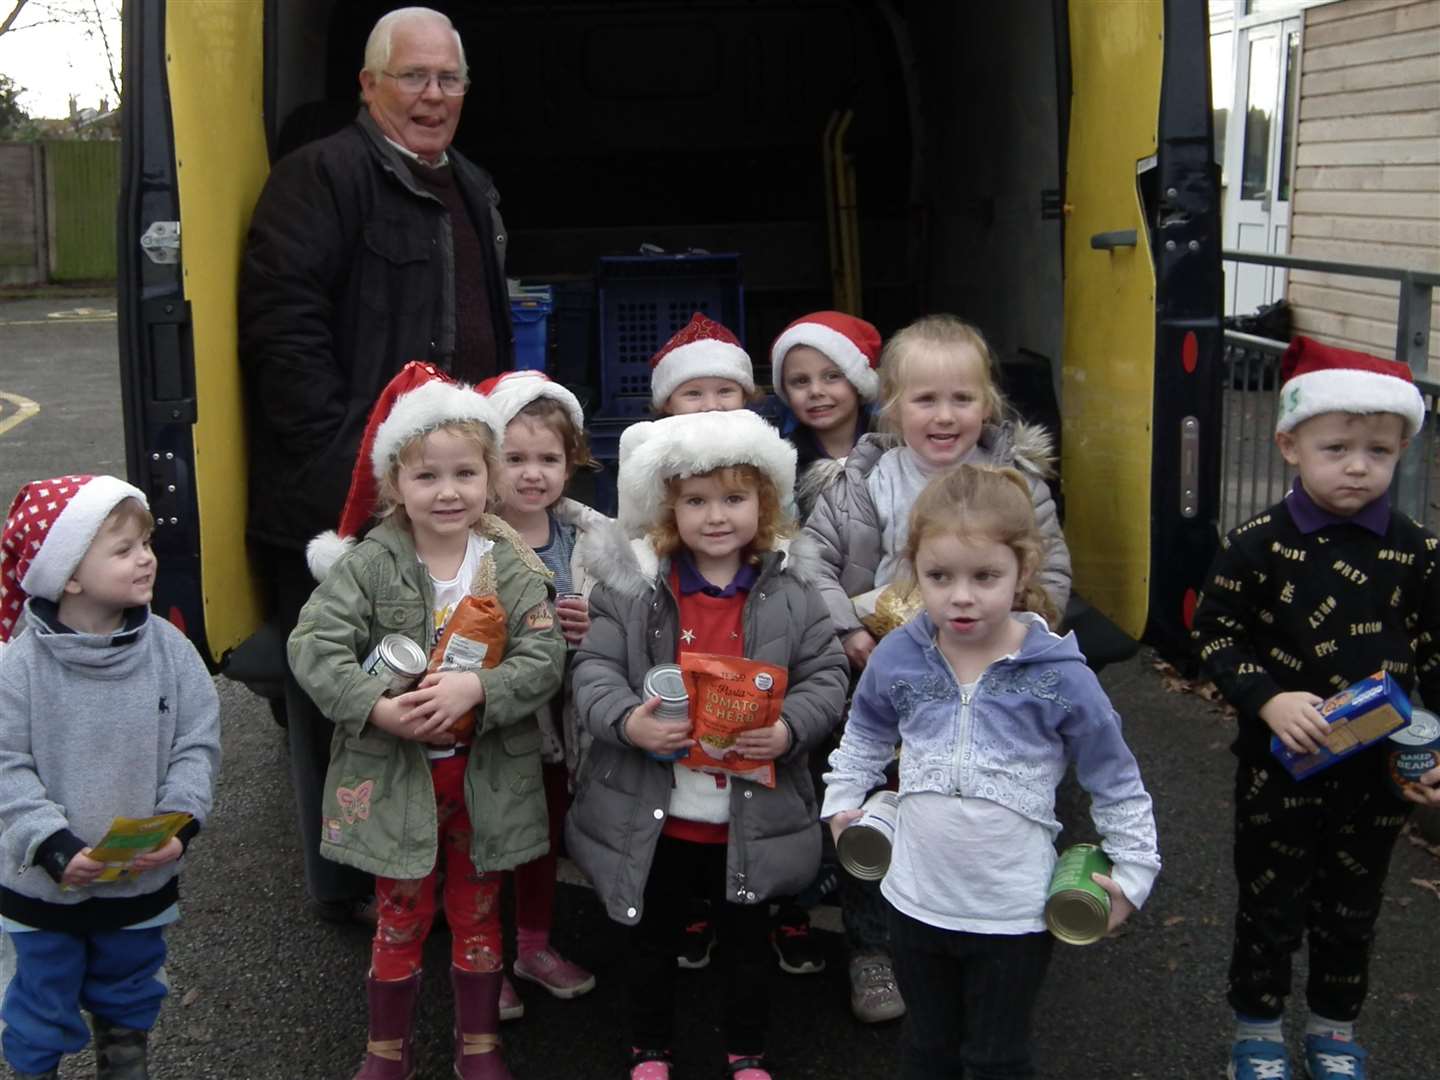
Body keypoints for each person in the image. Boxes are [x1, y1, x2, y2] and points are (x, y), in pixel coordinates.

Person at [239, 6, 515, 925]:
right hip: (344, 497)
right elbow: (284, 335)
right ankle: (353, 884)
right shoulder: (317, 179)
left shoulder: (469, 182)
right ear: (368, 86)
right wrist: (347, 472)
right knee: (344, 694)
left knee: (438, 676)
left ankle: (436, 866)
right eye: (413, 77)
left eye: (449, 80)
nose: (433, 96)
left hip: (443, 493)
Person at [823, 464, 1160, 1079]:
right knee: (926, 1050)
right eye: (939, 576)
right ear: (914, 569)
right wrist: (842, 802)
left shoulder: (1061, 677)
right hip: (915, 902)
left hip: (1014, 913)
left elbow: (1116, 782)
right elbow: (865, 732)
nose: (960, 596)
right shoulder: (900, 655)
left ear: (1023, 570)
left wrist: (1133, 875)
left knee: (996, 1057)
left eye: (985, 576)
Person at [288, 364, 565, 1080]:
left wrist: (479, 687)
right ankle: (386, 1050)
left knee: (478, 913)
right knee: (401, 915)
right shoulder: (370, 565)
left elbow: (544, 654)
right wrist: (376, 707)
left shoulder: (510, 564)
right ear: (393, 485)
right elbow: (312, 647)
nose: (448, 492)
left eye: (466, 474)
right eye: (427, 476)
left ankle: (479, 1045)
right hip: (396, 779)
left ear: (491, 478)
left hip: (485, 780)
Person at [802, 313, 1072, 1022]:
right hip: (885, 688)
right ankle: (872, 951)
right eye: (925, 399)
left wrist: (1020, 636)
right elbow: (812, 563)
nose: (944, 416)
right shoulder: (863, 483)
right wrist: (848, 633)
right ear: (891, 406)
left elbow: (1052, 570)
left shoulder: (1016, 484)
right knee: (875, 813)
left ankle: (978, 933)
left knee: (973, 810)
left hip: (989, 689)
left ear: (989, 404)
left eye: (962, 398)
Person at [564, 410, 848, 1080]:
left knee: (747, 947)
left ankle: (746, 1051)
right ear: (668, 510)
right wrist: (630, 722)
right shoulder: (636, 592)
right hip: (657, 813)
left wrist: (788, 730)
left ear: (765, 504)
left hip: (749, 815)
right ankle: (650, 1047)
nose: (715, 516)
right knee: (650, 942)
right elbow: (594, 670)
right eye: (695, 501)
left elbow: (828, 675)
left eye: (734, 498)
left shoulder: (792, 593)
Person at [1191, 337, 1440, 1080]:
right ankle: (1257, 1031)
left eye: (1379, 451)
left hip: (1379, 776)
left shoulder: (1416, 550)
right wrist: (1266, 698)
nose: (1358, 467)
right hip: (1280, 771)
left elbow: (1434, 651)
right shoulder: (1255, 546)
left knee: (1353, 910)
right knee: (1271, 908)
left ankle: (1335, 1030)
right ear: (1289, 445)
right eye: (1336, 448)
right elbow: (1215, 633)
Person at [0, 476, 221, 1080]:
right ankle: (34, 1068)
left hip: (138, 879)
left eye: (145, 543)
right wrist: (51, 843)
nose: (146, 557)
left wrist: (181, 820)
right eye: (122, 550)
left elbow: (195, 744)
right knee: (40, 998)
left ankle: (124, 1062)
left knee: (130, 987)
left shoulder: (171, 652)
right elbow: (5, 767)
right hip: (43, 887)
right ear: (68, 574)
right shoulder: (17, 669)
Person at [482, 370, 608, 1019]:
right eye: (516, 458)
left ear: (571, 463)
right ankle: (485, 960)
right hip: (496, 724)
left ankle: (533, 946)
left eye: (549, 459)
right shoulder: (471, 539)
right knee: (488, 847)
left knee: (541, 840)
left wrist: (593, 622)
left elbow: (623, 616)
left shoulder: (587, 539)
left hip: (562, 725)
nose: (533, 474)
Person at [769, 311, 882, 518]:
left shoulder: (894, 450)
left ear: (859, 382)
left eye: (832, 376)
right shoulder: (780, 463)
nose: (815, 391)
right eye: (801, 381)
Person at [649, 311, 756, 416]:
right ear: (667, 403)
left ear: (744, 397)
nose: (711, 407)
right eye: (693, 393)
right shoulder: (657, 434)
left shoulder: (757, 433)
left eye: (725, 391)